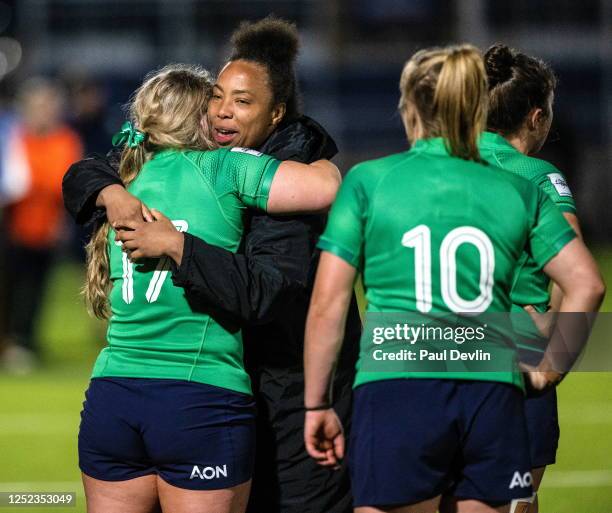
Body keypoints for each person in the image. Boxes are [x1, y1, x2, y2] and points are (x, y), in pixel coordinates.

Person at [63, 18, 358, 513]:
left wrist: (164, 233)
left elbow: (266, 291)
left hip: (124, 394)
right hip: (203, 398)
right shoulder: (225, 169)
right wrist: (110, 191)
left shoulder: (140, 171)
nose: (223, 112)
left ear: (278, 114)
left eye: (242, 102)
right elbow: (328, 183)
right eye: (216, 98)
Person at [303, 44, 605, 513]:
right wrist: (549, 364)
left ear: (409, 109)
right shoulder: (525, 183)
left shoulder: (370, 180)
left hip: (400, 372)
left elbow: (327, 306)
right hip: (496, 372)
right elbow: (585, 280)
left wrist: (317, 403)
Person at [481, 44, 583, 513]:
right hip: (513, 350)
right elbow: (576, 273)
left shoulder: (431, 165)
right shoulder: (537, 177)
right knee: (514, 503)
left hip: (425, 349)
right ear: (537, 117)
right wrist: (553, 363)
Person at [1, 77, 83, 373]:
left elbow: (64, 184)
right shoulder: (13, 138)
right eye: (37, 105)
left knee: (36, 289)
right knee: (9, 288)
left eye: (48, 105)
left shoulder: (65, 140)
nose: (43, 111)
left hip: (45, 229)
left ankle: (26, 341)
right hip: (12, 227)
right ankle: (10, 342)